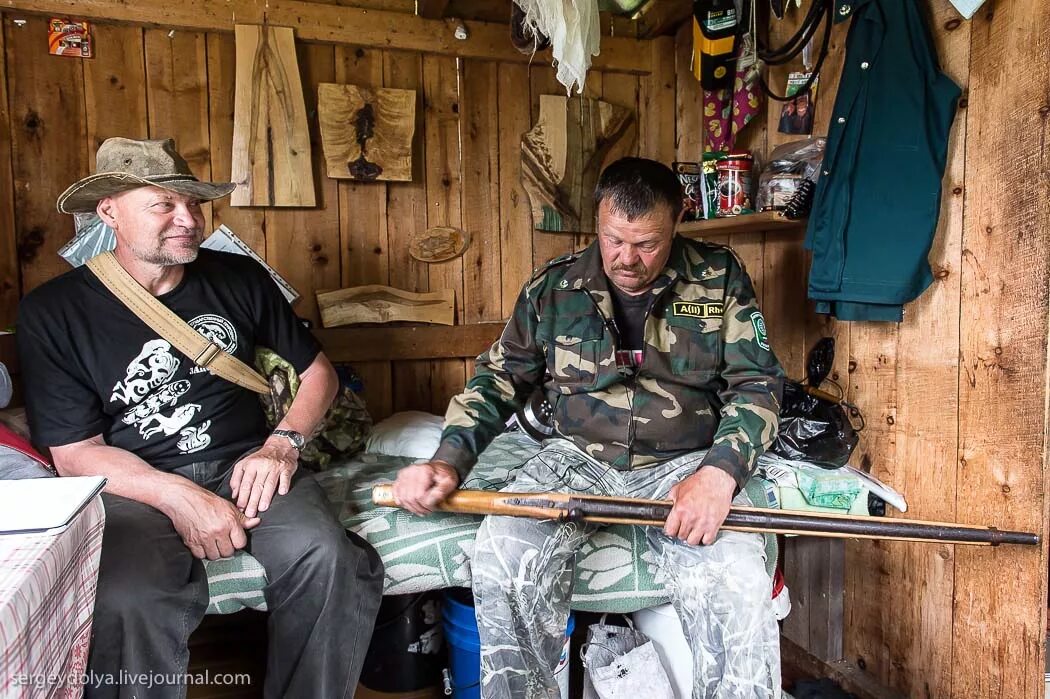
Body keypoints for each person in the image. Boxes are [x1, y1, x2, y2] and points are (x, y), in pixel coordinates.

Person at [394, 157, 786, 698]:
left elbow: (758, 384)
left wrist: (720, 476)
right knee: (503, 558)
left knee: (740, 584)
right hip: (575, 459)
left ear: (676, 222)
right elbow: (499, 379)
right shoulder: (552, 289)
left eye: (646, 243)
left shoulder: (718, 278)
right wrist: (448, 459)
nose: (627, 259)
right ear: (598, 224)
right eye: (613, 240)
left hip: (685, 464)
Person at [17, 137, 384, 699]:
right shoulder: (54, 311)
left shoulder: (240, 278)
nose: (188, 220)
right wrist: (180, 497)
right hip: (132, 485)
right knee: (125, 596)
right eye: (163, 204)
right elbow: (75, 452)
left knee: (330, 559)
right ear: (110, 210)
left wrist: (282, 445)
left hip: (250, 465)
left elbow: (318, 375)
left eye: (193, 203)